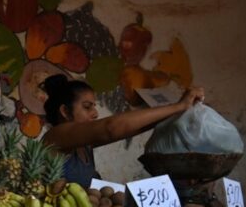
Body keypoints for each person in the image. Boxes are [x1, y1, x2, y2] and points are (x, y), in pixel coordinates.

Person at [40, 74, 205, 187]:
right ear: (65, 112)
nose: (95, 113)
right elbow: (111, 128)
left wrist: (174, 112)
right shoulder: (56, 137)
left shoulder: (83, 144)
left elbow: (126, 131)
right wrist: (178, 106)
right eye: (87, 107)